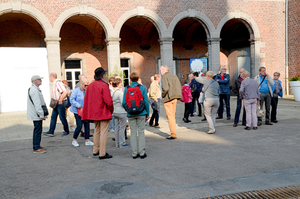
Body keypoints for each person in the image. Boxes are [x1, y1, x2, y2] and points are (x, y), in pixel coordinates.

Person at [82, 67, 114, 160]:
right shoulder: (104, 85)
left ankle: (95, 150)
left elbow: (87, 100)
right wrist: (111, 110)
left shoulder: (91, 85)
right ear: (102, 76)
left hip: (95, 112)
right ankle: (102, 153)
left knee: (97, 131)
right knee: (104, 133)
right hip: (103, 112)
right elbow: (109, 101)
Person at [123, 72, 149, 159]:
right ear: (138, 79)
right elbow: (146, 102)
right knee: (141, 132)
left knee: (133, 132)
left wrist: (128, 110)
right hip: (141, 113)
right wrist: (147, 114)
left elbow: (123, 103)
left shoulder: (127, 88)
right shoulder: (142, 87)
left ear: (130, 79)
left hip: (130, 114)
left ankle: (134, 153)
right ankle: (142, 152)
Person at [43, 72, 70, 137]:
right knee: (53, 117)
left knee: (62, 117)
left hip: (60, 103)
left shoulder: (58, 83)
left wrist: (61, 100)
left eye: (49, 77)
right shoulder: (55, 83)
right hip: (56, 103)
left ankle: (66, 130)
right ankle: (51, 131)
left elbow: (65, 91)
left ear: (51, 77)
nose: (49, 78)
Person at [70, 77, 94, 147]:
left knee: (87, 125)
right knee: (79, 125)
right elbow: (72, 100)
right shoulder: (76, 91)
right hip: (77, 111)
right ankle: (74, 140)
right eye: (85, 85)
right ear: (81, 84)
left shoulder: (87, 91)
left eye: (87, 85)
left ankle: (87, 140)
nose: (86, 86)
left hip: (85, 110)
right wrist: (79, 106)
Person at [160, 65, 182, 140]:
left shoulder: (164, 77)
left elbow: (165, 88)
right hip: (175, 97)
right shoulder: (174, 76)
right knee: (173, 116)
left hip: (168, 98)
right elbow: (179, 86)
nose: (160, 72)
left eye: (160, 70)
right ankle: (173, 133)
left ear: (163, 70)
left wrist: (162, 96)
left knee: (170, 117)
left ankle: (173, 134)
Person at [27, 75, 47, 153]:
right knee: (37, 130)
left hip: (36, 114)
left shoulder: (34, 89)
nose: (41, 81)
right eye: (39, 79)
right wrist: (41, 114)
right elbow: (37, 104)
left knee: (38, 130)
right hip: (36, 114)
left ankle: (37, 145)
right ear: (35, 81)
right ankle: (36, 148)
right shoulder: (34, 90)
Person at [111, 78, 130, 148]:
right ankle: (122, 143)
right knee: (122, 128)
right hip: (121, 112)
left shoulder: (112, 92)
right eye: (120, 83)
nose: (121, 84)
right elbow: (123, 103)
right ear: (118, 84)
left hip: (114, 111)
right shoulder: (120, 92)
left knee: (116, 127)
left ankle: (117, 143)